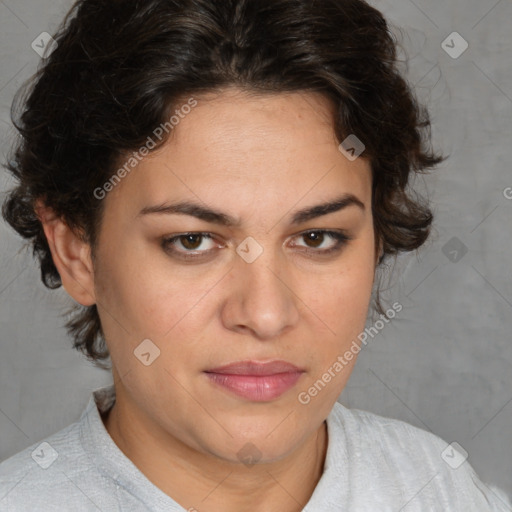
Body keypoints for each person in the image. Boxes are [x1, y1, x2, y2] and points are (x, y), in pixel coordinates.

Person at [0, 0, 510, 510]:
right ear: (75, 252)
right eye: (193, 241)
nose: (266, 314)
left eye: (316, 238)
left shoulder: (443, 491)